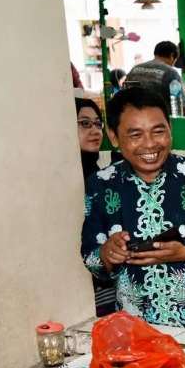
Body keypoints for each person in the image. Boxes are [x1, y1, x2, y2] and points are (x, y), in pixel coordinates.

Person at [80, 88, 185, 330]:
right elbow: (90, 255)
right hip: (134, 333)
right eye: (135, 135)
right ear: (114, 136)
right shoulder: (101, 184)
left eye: (158, 131)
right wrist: (106, 254)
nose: (149, 144)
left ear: (170, 128)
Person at [76, 98, 117, 317]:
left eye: (97, 124)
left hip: (106, 280)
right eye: (84, 123)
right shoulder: (69, 178)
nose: (94, 130)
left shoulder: (102, 176)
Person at [123, 40, 183, 109]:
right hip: (158, 117)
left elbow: (124, 93)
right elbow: (180, 104)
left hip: (133, 116)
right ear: (172, 55)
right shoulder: (171, 73)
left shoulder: (135, 69)